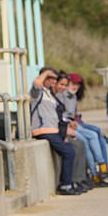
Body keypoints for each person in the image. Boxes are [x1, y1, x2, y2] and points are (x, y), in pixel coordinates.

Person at [55, 73, 108, 186]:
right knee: (86, 140)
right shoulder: (60, 95)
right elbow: (60, 115)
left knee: (96, 135)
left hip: (74, 123)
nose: (75, 87)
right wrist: (69, 122)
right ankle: (95, 173)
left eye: (78, 85)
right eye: (73, 84)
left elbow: (73, 115)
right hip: (66, 125)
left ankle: (102, 168)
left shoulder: (73, 96)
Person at [30, 67, 80, 195]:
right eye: (50, 78)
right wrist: (46, 73)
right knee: (69, 152)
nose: (53, 81)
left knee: (71, 148)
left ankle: (72, 182)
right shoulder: (38, 93)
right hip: (42, 130)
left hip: (53, 130)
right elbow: (36, 84)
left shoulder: (48, 94)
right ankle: (65, 185)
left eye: (54, 78)